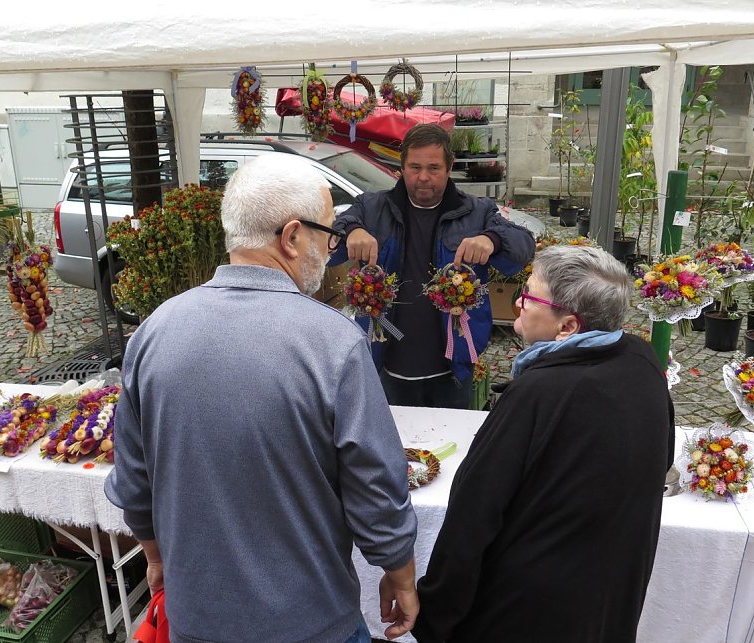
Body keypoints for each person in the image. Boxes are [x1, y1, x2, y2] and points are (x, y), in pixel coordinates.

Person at [105, 154, 419, 643]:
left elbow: (133, 477)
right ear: (292, 237)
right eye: (328, 235)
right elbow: (375, 483)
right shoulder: (332, 342)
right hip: (310, 622)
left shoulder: (154, 331)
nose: (332, 249)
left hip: (198, 617)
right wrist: (399, 571)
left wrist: (155, 554)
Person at [412, 244, 675, 643]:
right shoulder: (642, 361)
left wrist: (435, 613)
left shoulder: (539, 391)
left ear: (567, 326)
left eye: (530, 295)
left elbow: (475, 510)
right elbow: (661, 459)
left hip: (526, 609)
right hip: (607, 598)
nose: (517, 302)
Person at [329, 123, 535, 409]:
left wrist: (492, 240)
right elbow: (331, 235)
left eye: (433, 168)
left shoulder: (477, 211)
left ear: (449, 167)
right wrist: (352, 230)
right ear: (401, 168)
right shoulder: (372, 207)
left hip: (453, 368)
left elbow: (524, 246)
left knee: (452, 446)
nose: (423, 177)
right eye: (414, 167)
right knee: (393, 448)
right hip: (386, 363)